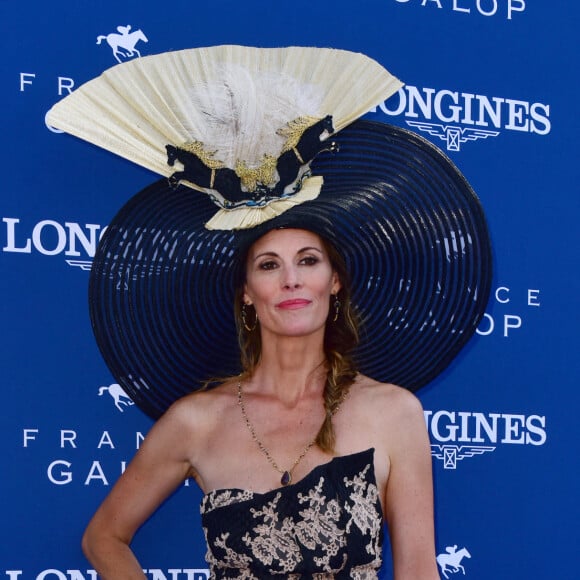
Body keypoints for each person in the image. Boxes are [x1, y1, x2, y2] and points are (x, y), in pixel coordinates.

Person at [47, 45, 492, 579]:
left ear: (335, 282)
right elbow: (104, 538)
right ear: (246, 293)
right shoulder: (195, 420)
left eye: (308, 260)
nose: (291, 279)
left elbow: (419, 568)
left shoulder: (393, 412)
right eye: (267, 265)